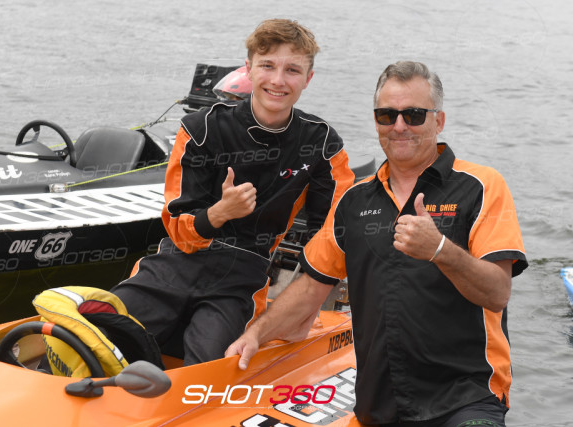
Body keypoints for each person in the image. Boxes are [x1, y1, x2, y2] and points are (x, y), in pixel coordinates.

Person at [226, 60, 528, 426]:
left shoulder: (481, 186)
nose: (399, 126)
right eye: (387, 115)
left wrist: (440, 250)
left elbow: (497, 293)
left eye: (414, 115)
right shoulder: (353, 200)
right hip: (379, 406)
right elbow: (310, 287)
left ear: (439, 121)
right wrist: (256, 334)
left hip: (465, 401)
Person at [111, 19, 355, 366]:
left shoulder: (322, 143)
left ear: (308, 78)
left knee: (212, 363)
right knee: (97, 331)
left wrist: (307, 304)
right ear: (249, 69)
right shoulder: (200, 128)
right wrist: (219, 213)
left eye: (292, 70)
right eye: (267, 65)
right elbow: (178, 227)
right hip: (176, 261)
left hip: (243, 274)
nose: (278, 80)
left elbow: (332, 231)